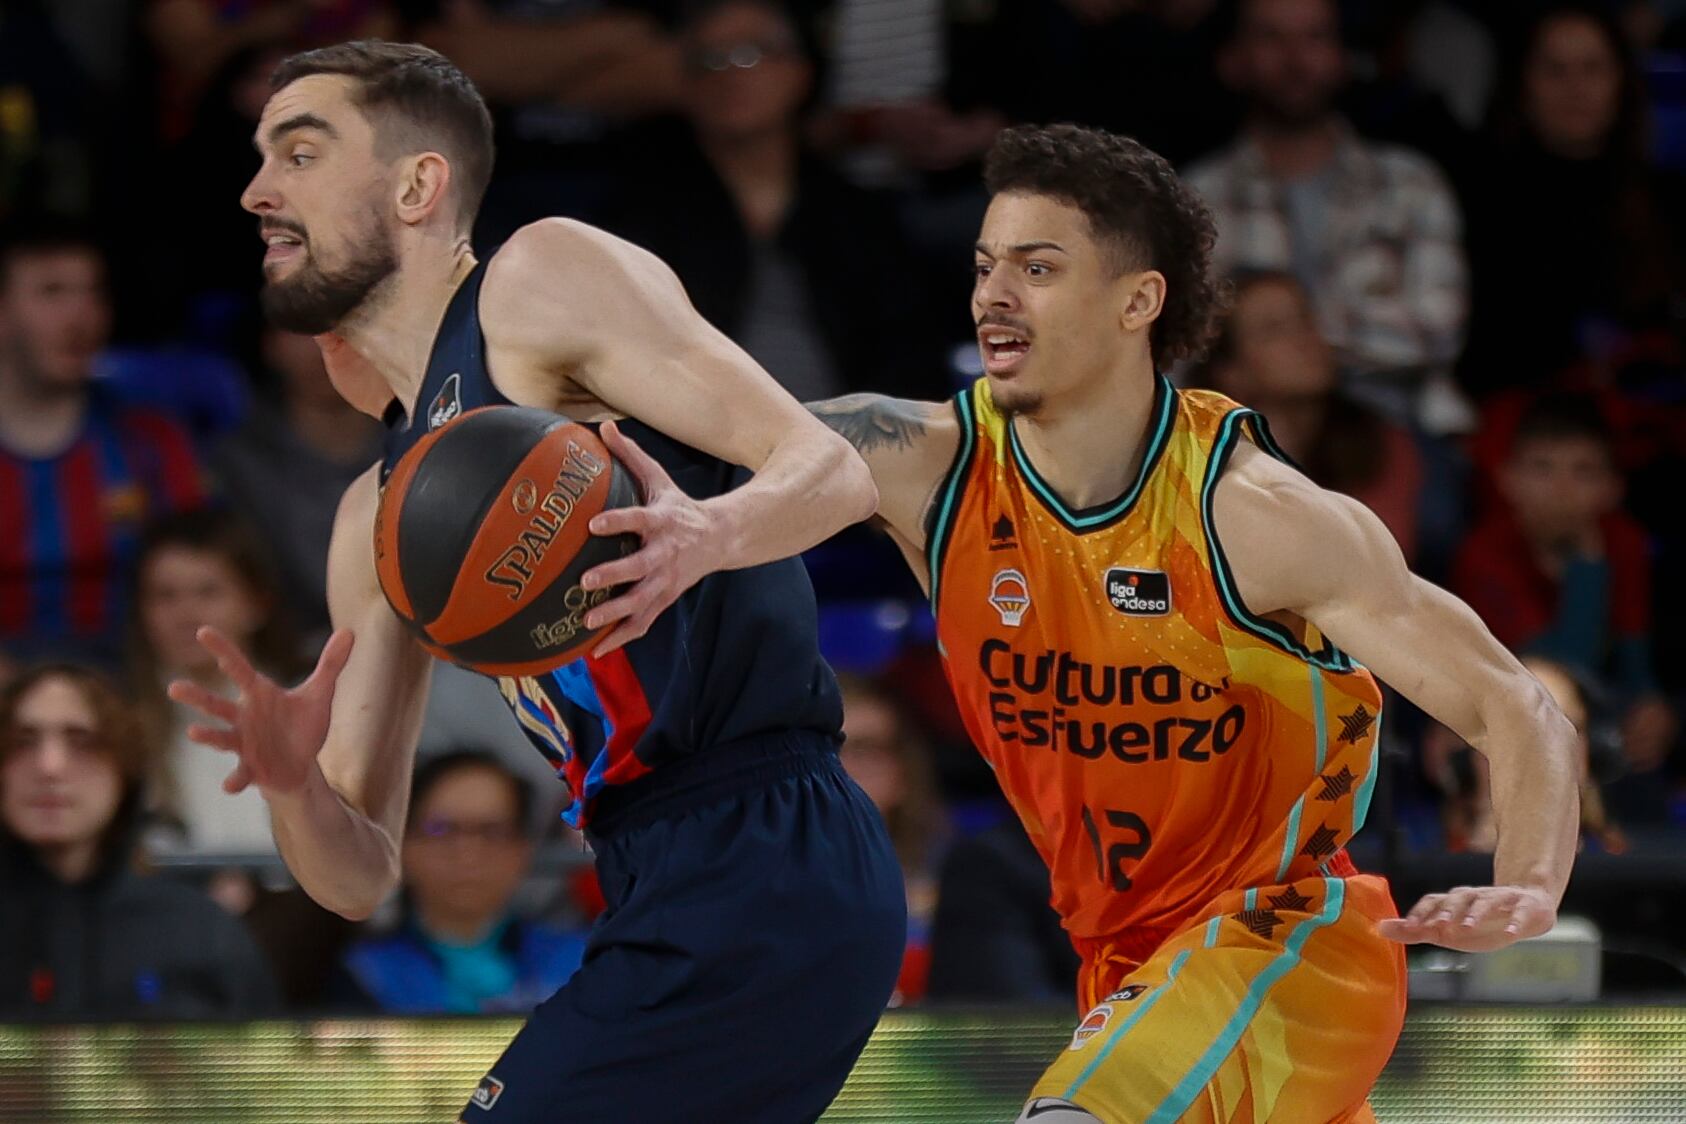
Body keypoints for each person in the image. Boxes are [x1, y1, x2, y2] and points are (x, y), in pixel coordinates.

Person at [167, 40, 902, 1123]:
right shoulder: (373, 516)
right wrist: (293, 783)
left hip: (769, 839)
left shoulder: (538, 280)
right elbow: (361, 872)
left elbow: (833, 469)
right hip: (652, 869)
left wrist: (707, 531)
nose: (256, 190)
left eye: (302, 152)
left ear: (419, 185)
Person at [809, 123, 1580, 1123]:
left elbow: (1513, 700)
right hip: (1126, 961)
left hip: (1287, 942)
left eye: (1038, 266)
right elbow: (737, 423)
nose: (993, 293)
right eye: (985, 263)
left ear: (1139, 300)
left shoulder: (1256, 515)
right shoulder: (943, 468)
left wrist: (1527, 883)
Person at [603, 0, 948, 403]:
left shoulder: (860, 219)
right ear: (686, 85)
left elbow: (908, 365)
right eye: (710, 60)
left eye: (751, 54)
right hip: (695, 446)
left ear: (800, 72)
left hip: (850, 443)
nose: (732, 74)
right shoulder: (643, 215)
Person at [1184, 0, 1469, 431]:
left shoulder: (1410, 183)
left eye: (1314, 37)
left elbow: (1435, 329)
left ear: (1343, 57)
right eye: (1271, 37)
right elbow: (1186, 342)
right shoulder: (1197, 195)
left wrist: (1279, 343)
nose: (1295, 58)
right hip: (1246, 437)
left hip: (1398, 423)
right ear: (1234, 58)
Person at [0, 663, 278, 1018]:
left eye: (81, 739)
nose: (49, 766)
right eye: (22, 742)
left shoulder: (200, 931)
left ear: (125, 766)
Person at [0, 220, 206, 669]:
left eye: (94, 293)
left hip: (142, 693)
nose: (81, 316)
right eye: (52, 292)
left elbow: (208, 577)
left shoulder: (153, 442)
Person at [1453, 393, 1676, 808]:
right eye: (1542, 469)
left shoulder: (1623, 541)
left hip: (1599, 714)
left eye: (1583, 472)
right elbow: (1558, 671)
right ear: (1507, 478)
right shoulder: (1486, 552)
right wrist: (1589, 564)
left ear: (1613, 489)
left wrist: (1654, 710)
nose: (1562, 489)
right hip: (1509, 710)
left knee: (1644, 736)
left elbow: (1634, 655)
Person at [339, 751, 586, 1014]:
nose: (468, 854)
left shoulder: (581, 961)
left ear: (523, 849)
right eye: (441, 829)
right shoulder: (365, 973)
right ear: (401, 844)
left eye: (493, 831)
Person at [129, 508, 304, 858]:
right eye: (166, 596)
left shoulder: (307, 708)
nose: (186, 615)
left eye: (208, 593)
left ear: (257, 604)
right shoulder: (122, 725)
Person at [838, 673, 947, 1005]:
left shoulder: (957, 896)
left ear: (902, 770)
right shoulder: (755, 897)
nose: (841, 769)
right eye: (823, 749)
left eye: (863, 749)